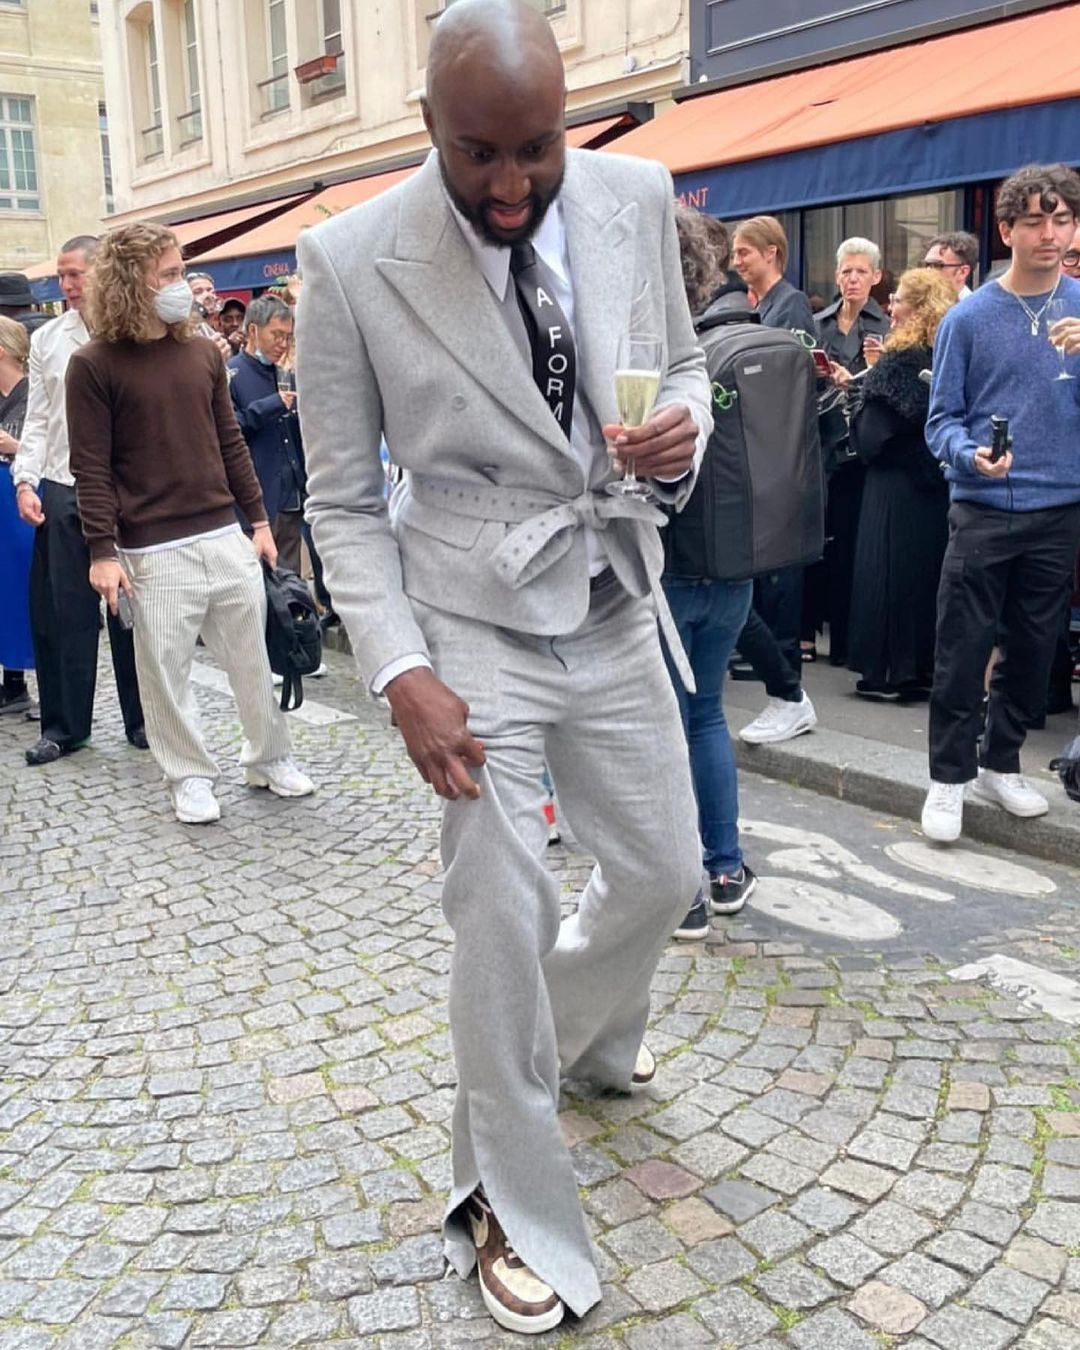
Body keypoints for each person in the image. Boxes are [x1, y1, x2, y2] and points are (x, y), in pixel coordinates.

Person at [295, 0, 710, 1334]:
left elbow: (683, 367)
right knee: (499, 915)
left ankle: (572, 1045)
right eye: (481, 153)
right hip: (466, 616)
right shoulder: (348, 258)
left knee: (663, 871)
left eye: (538, 148)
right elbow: (344, 502)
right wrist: (399, 667)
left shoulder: (637, 193)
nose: (514, 183)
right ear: (429, 126)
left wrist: (680, 434)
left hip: (610, 584)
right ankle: (508, 1199)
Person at [65, 222, 314, 825]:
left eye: (181, 271)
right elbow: (90, 467)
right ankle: (188, 775)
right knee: (165, 670)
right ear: (132, 282)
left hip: (222, 533)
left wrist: (255, 520)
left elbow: (230, 442)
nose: (182, 285)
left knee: (251, 656)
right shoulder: (92, 366)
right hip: (150, 547)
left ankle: (269, 756)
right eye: (170, 274)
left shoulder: (204, 353)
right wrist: (102, 552)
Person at [920, 162, 1080, 843]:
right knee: (963, 646)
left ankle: (1001, 762)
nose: (1051, 233)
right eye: (1036, 220)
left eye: (1063, 219)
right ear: (1006, 228)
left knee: (1034, 647)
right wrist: (969, 455)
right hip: (985, 505)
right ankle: (947, 778)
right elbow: (940, 420)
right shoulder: (971, 318)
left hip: (1061, 505)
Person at [12, 235, 145, 765]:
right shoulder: (49, 339)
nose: (67, 285)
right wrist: (26, 480)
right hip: (64, 488)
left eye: (76, 274)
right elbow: (39, 419)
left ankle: (145, 720)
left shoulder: (132, 332)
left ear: (102, 272)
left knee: (134, 612)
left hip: (128, 489)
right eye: (62, 276)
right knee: (62, 614)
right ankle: (66, 726)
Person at [665, 208, 757, 942]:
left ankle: (683, 891)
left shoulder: (660, 350)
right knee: (708, 715)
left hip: (661, 567)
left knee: (661, 729)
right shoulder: (747, 332)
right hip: (734, 566)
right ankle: (725, 867)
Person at [728, 215, 818, 743]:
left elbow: (787, 385)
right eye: (736, 252)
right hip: (763, 458)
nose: (737, 260)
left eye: (745, 252)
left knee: (782, 577)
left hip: (784, 462)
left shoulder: (792, 306)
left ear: (773, 254)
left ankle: (790, 687)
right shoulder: (761, 306)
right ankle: (775, 679)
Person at [847, 268, 956, 699]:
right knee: (924, 579)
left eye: (898, 300)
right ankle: (919, 668)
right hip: (933, 486)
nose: (890, 307)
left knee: (886, 575)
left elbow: (873, 436)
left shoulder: (896, 362)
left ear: (917, 308)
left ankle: (887, 672)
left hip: (892, 486)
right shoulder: (942, 355)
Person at [808, 237, 890, 668]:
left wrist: (857, 378)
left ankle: (846, 642)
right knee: (821, 542)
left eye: (861, 271)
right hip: (820, 445)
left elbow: (890, 387)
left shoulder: (888, 328)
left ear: (876, 277)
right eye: (846, 271)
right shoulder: (819, 323)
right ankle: (814, 631)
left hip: (862, 452)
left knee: (855, 548)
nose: (853, 279)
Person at [227, 295, 306, 574]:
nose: (282, 344)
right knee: (263, 577)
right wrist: (270, 405)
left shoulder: (284, 372)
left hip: (293, 489)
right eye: (276, 335)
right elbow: (229, 428)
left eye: (288, 337)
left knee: (292, 578)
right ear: (253, 331)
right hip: (257, 497)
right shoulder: (231, 375)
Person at [0, 316, 34, 713]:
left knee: (22, 587)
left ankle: (21, 677)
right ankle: (11, 679)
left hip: (23, 499)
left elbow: (58, 446)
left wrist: (15, 445)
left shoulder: (35, 394)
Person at [732, 215, 816, 335]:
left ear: (770, 253)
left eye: (743, 253)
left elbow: (795, 353)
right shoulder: (754, 305)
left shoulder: (792, 302)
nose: (736, 262)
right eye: (734, 254)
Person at [924, 231, 979, 299]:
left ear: (963, 272)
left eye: (936, 265)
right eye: (927, 265)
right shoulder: (917, 304)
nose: (927, 271)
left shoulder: (974, 307)